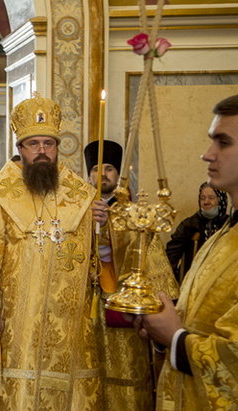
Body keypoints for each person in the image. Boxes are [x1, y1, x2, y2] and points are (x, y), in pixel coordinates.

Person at [0, 94, 102, 409]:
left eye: (49, 143)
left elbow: (99, 261)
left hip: (69, 320)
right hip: (18, 317)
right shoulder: (1, 196)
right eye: (34, 144)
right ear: (20, 149)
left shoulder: (82, 196)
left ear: (57, 148)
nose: (42, 151)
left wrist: (104, 229)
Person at [136, 94, 238, 410]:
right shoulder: (225, 233)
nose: (207, 155)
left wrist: (176, 337)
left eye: (223, 142)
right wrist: (164, 321)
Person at [84, 139, 178, 410]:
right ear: (89, 175)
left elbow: (151, 254)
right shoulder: (77, 212)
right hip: (86, 309)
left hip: (125, 308)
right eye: (96, 169)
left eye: (110, 168)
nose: (102, 174)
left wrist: (109, 226)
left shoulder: (136, 213)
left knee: (126, 376)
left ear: (120, 175)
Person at [165, 182, 229, 282]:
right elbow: (171, 257)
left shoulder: (229, 225)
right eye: (202, 198)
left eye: (211, 198)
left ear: (221, 200)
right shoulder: (189, 225)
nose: (206, 202)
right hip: (193, 282)